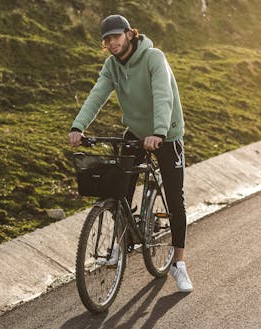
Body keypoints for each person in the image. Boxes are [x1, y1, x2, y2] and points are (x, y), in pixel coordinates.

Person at [67, 14, 193, 293]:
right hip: (136, 132)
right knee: (118, 187)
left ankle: (179, 264)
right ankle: (120, 244)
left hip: (167, 133)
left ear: (129, 34)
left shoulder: (153, 57)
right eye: (107, 39)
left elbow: (164, 95)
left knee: (175, 197)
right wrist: (78, 126)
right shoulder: (112, 66)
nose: (112, 43)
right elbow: (97, 94)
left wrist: (159, 132)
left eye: (116, 36)